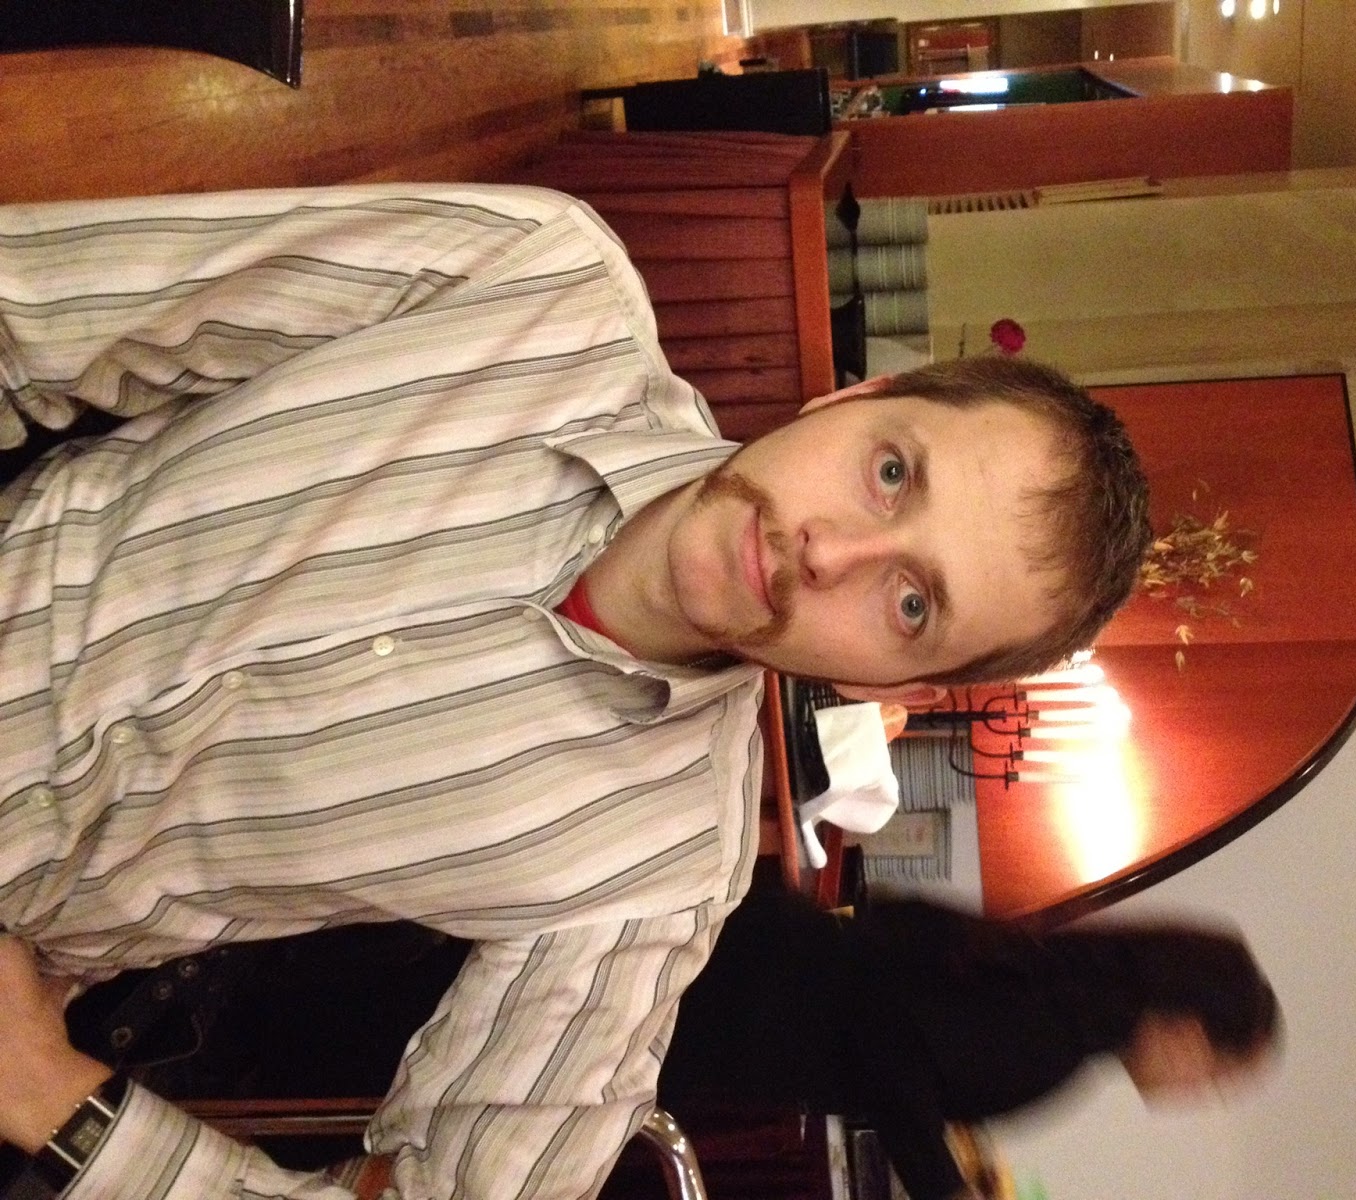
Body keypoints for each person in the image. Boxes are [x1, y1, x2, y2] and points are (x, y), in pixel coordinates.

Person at [0, 184, 1151, 1200]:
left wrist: (51, 1095)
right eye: (890, 471)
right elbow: (33, 308)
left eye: (908, 604)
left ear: (882, 683)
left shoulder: (657, 882)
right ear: (853, 396)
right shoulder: (535, 281)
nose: (829, 552)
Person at [655, 889, 1281, 1200]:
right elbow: (891, 1048)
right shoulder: (1057, 1037)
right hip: (727, 1009)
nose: (1201, 1094)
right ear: (1187, 1030)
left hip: (745, 945)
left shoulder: (1051, 978)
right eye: (1215, 1076)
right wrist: (944, 1189)